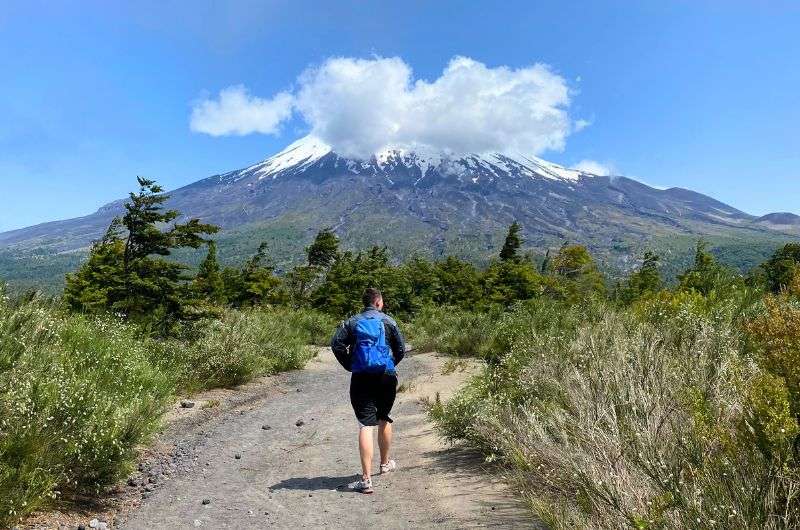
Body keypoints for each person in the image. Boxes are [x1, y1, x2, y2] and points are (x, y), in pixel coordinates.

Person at [330, 287, 407, 494]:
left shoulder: (352, 322)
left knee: (366, 424)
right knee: (384, 417)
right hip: (386, 376)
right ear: (378, 302)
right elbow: (401, 349)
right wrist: (389, 364)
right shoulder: (389, 321)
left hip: (362, 376)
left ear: (365, 302)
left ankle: (365, 479)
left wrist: (351, 364)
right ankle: (384, 464)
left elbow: (336, 344)